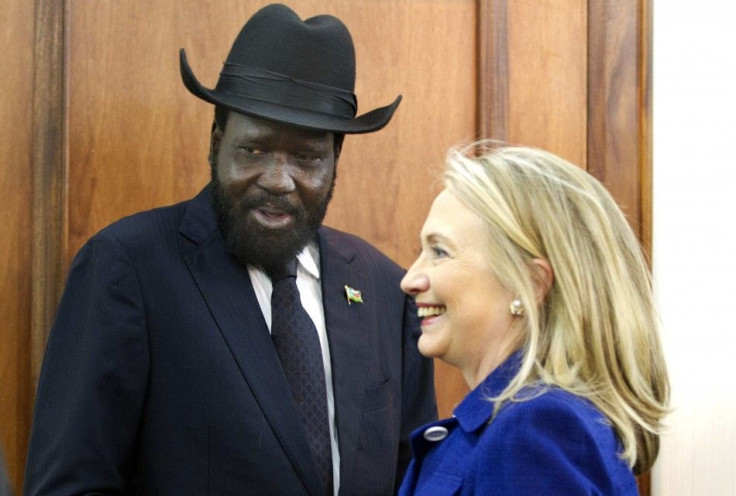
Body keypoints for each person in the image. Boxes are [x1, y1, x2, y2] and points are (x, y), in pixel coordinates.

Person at [23, 4, 436, 495]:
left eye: (306, 158)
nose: (278, 181)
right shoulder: (128, 266)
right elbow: (71, 485)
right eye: (254, 150)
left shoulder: (385, 291)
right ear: (216, 143)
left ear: (334, 162)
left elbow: (416, 480)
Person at [398, 142, 669, 495]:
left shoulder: (535, 428)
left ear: (530, 282)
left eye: (439, 251)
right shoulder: (518, 423)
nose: (409, 279)